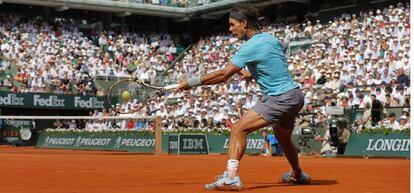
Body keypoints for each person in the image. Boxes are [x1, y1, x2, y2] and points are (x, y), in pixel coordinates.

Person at [177, 4, 310, 191]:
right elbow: (272, 61)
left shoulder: (249, 47)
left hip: (280, 98)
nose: (230, 30)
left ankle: (231, 178)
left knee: (239, 129)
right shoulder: (271, 39)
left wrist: (191, 82)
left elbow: (224, 75)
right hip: (296, 96)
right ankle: (298, 174)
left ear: (244, 23)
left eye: (232, 25)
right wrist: (251, 73)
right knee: (283, 138)